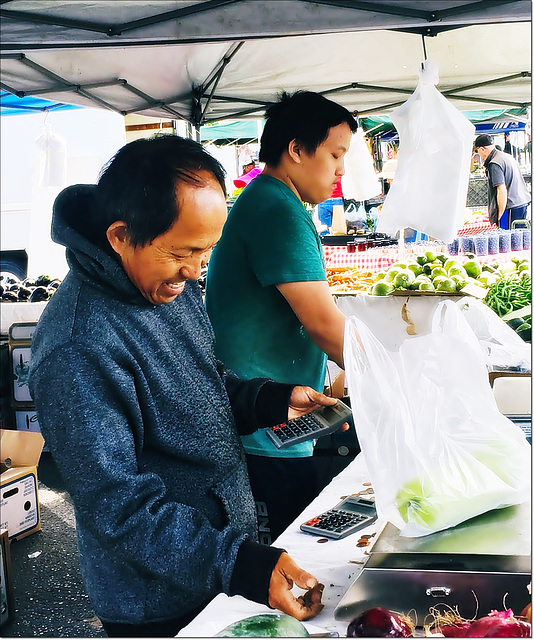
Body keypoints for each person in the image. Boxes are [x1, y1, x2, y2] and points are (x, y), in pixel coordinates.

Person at [28, 135, 337, 637]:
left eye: (206, 251)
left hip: (216, 571)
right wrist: (241, 565)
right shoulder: (77, 346)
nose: (195, 272)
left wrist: (269, 399)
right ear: (121, 236)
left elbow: (204, 382)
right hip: (156, 603)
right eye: (181, 252)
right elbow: (118, 507)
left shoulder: (167, 285)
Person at [205, 91, 359, 544]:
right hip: (266, 419)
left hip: (269, 406)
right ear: (296, 150)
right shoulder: (278, 212)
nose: (341, 170)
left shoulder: (269, 200)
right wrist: (396, 377)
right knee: (289, 552)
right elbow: (323, 324)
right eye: (335, 154)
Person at [474, 133, 531, 230]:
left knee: (508, 241)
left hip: (510, 207)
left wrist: (500, 214)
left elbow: (501, 190)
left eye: (477, 151)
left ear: (482, 149)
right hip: (522, 202)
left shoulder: (495, 163)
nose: (478, 154)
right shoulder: (507, 157)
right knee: (519, 239)